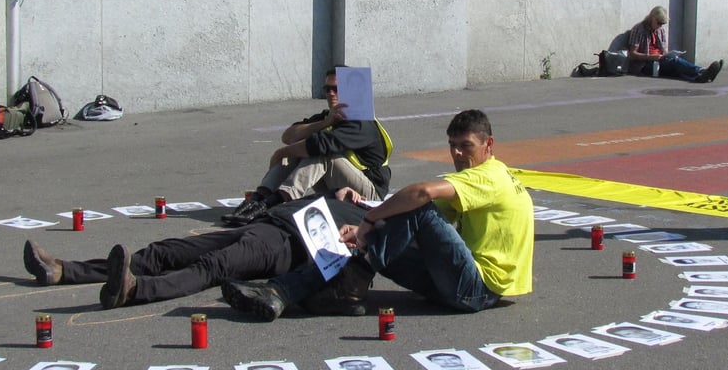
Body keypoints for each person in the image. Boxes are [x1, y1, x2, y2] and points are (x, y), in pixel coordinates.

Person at [221, 109, 534, 321]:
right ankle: (281, 292)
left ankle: (345, 287)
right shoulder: (488, 177)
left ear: (489, 145)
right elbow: (410, 215)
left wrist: (368, 223)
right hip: (461, 283)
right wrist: (362, 217)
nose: (457, 154)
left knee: (416, 205)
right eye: (452, 146)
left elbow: (421, 197)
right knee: (393, 224)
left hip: (477, 290)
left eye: (466, 146)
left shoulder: (489, 177)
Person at [23, 196, 366, 311]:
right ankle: (63, 270)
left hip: (284, 247)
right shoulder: (347, 197)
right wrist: (339, 192)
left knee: (212, 266)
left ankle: (133, 291)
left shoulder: (376, 224)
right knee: (164, 251)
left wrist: (355, 238)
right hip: (267, 224)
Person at [220, 66, 392, 226]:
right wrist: (324, 122)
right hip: (340, 185)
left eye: (336, 89)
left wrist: (281, 153)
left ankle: (275, 202)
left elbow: (320, 145)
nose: (331, 94)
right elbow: (288, 136)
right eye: (327, 89)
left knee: (322, 153)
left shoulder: (362, 122)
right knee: (301, 150)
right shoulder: (330, 116)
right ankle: (258, 200)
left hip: (369, 194)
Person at [628, 6, 723, 83]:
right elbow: (632, 54)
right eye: (659, 23)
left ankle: (699, 77)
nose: (660, 26)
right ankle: (702, 71)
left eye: (662, 24)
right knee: (675, 63)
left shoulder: (660, 31)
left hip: (659, 61)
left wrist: (667, 54)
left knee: (676, 67)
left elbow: (663, 50)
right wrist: (651, 57)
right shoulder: (639, 29)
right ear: (652, 18)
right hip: (645, 65)